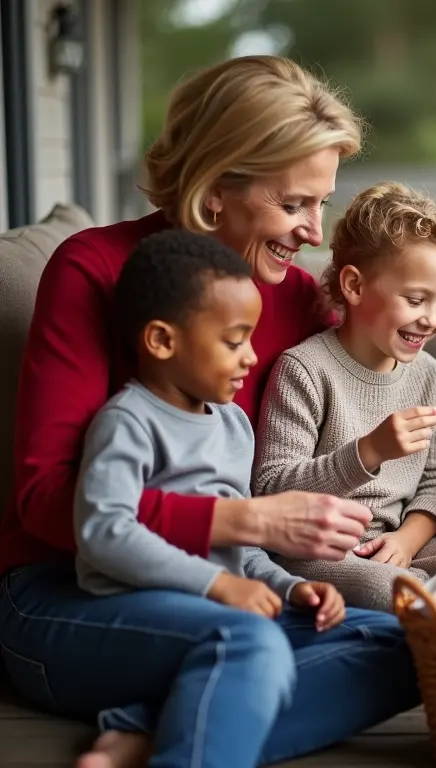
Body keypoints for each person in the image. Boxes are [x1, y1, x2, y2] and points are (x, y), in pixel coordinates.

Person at [0, 56, 418, 768]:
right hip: (67, 593)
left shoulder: (297, 299)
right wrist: (249, 522)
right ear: (217, 186)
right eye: (294, 205)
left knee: (413, 647)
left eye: (322, 202)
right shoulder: (94, 270)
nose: (314, 233)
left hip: (231, 590)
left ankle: (152, 727)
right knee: (245, 641)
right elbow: (47, 504)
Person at [72, 229, 352, 764]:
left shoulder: (232, 425)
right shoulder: (126, 422)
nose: (251, 357)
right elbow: (103, 532)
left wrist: (292, 588)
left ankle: (156, 729)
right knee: (251, 640)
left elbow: (243, 548)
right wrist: (218, 584)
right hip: (147, 609)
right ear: (161, 340)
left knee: (396, 642)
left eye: (252, 338)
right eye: (233, 340)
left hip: (234, 604)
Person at [253, 182, 436, 612]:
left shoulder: (428, 374)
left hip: (397, 542)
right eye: (415, 299)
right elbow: (272, 487)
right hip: (318, 550)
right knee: (397, 591)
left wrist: (409, 538)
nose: (431, 319)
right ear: (353, 286)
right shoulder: (305, 370)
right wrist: (368, 452)